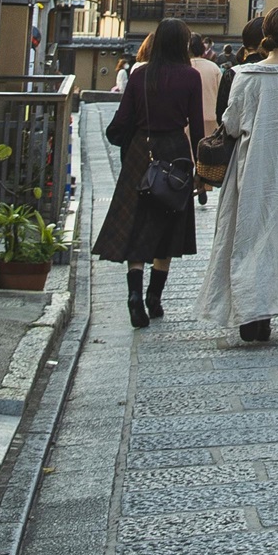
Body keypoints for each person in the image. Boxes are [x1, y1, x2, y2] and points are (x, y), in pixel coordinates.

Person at [197, 6, 278, 343]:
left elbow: (230, 123)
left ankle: (248, 311)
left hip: (251, 167)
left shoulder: (246, 76)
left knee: (247, 236)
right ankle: (270, 309)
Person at [94, 18, 206, 329]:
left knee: (137, 223)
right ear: (182, 44)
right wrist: (200, 170)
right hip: (175, 151)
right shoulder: (190, 76)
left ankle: (133, 295)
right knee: (168, 224)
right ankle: (154, 299)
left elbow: (121, 121)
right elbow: (196, 126)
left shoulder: (140, 75)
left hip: (140, 153)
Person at [189, 34, 223, 139]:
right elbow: (222, 94)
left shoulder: (184, 68)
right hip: (212, 117)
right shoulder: (214, 68)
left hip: (189, 119)